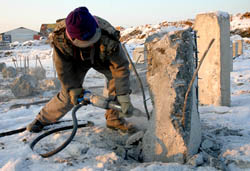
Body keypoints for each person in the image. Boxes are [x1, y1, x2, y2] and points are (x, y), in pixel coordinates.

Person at [26, 7, 136, 133]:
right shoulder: (60, 39)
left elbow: (120, 67)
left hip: (102, 58)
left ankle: (114, 120)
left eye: (91, 40)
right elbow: (63, 69)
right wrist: (73, 88)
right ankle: (42, 119)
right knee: (68, 95)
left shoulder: (108, 36)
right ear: (71, 38)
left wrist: (123, 96)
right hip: (76, 60)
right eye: (85, 42)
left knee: (118, 86)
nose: (89, 44)